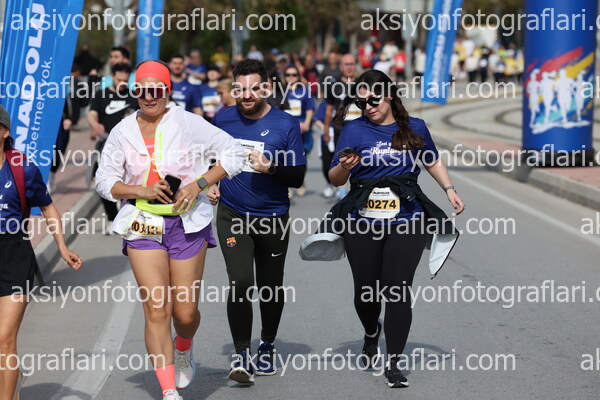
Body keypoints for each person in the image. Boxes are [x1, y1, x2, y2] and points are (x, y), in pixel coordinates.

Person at [95, 60, 245, 400]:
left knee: (185, 313)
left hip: (187, 224)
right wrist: (141, 190)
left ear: (168, 90)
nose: (149, 96)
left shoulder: (188, 122)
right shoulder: (122, 131)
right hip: (142, 225)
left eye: (156, 90)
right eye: (143, 90)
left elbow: (234, 153)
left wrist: (198, 184)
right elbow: (104, 180)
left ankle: (184, 345)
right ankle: (168, 390)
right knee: (156, 308)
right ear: (135, 91)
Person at [328, 70, 464, 388]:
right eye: (361, 102)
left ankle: (393, 363)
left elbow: (431, 160)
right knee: (365, 291)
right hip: (362, 220)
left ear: (388, 95)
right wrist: (344, 168)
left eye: (373, 100)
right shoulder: (352, 129)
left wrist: (449, 189)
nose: (368, 107)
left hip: (408, 218)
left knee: (397, 288)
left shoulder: (414, 127)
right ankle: (371, 331)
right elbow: (335, 178)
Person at [208, 59, 307, 384]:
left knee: (270, 286)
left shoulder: (285, 124)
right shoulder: (223, 118)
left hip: (272, 217)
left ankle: (266, 343)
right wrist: (210, 182)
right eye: (240, 89)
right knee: (240, 282)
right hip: (232, 214)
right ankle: (241, 353)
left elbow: (297, 177)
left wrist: (271, 168)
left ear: (266, 87)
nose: (246, 95)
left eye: (253, 88)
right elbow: (209, 156)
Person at [0, 105, 82, 400]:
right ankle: (15, 376)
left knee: (4, 339)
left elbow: (47, 207)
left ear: (4, 132)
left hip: (14, 255)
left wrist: (62, 245)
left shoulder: (22, 168)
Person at [89, 62, 139, 233]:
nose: (122, 83)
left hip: (130, 145)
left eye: (125, 80)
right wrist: (95, 125)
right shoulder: (101, 95)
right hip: (106, 144)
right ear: (112, 77)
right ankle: (112, 217)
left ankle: (128, 216)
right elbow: (92, 114)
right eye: (118, 80)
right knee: (101, 179)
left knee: (129, 180)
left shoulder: (134, 96)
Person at [323, 53, 360, 200]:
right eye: (346, 64)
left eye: (352, 64)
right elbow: (328, 110)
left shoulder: (362, 85)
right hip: (341, 129)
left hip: (360, 129)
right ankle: (342, 189)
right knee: (343, 159)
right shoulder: (334, 85)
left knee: (360, 159)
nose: (349, 67)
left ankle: (358, 188)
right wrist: (326, 130)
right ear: (341, 66)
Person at [282, 65, 315, 196]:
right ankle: (287, 185)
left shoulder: (305, 91)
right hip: (285, 129)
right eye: (288, 74)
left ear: (298, 76)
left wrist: (306, 123)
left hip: (301, 128)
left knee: (301, 157)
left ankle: (300, 181)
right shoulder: (281, 92)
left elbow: (310, 108)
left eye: (294, 74)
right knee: (285, 157)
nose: (291, 77)